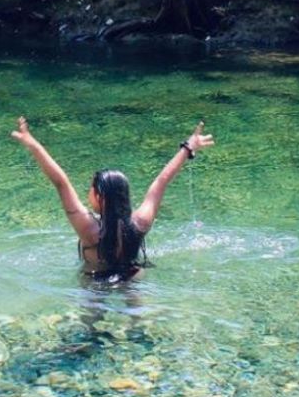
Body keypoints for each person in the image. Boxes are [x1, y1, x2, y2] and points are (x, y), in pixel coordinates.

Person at [11, 116, 214, 281]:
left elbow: (60, 182)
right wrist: (188, 148)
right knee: (137, 318)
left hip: (95, 278)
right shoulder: (140, 223)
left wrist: (33, 145)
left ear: (101, 198)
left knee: (89, 320)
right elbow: (162, 181)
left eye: (91, 188)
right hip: (132, 276)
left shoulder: (90, 230)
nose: (87, 191)